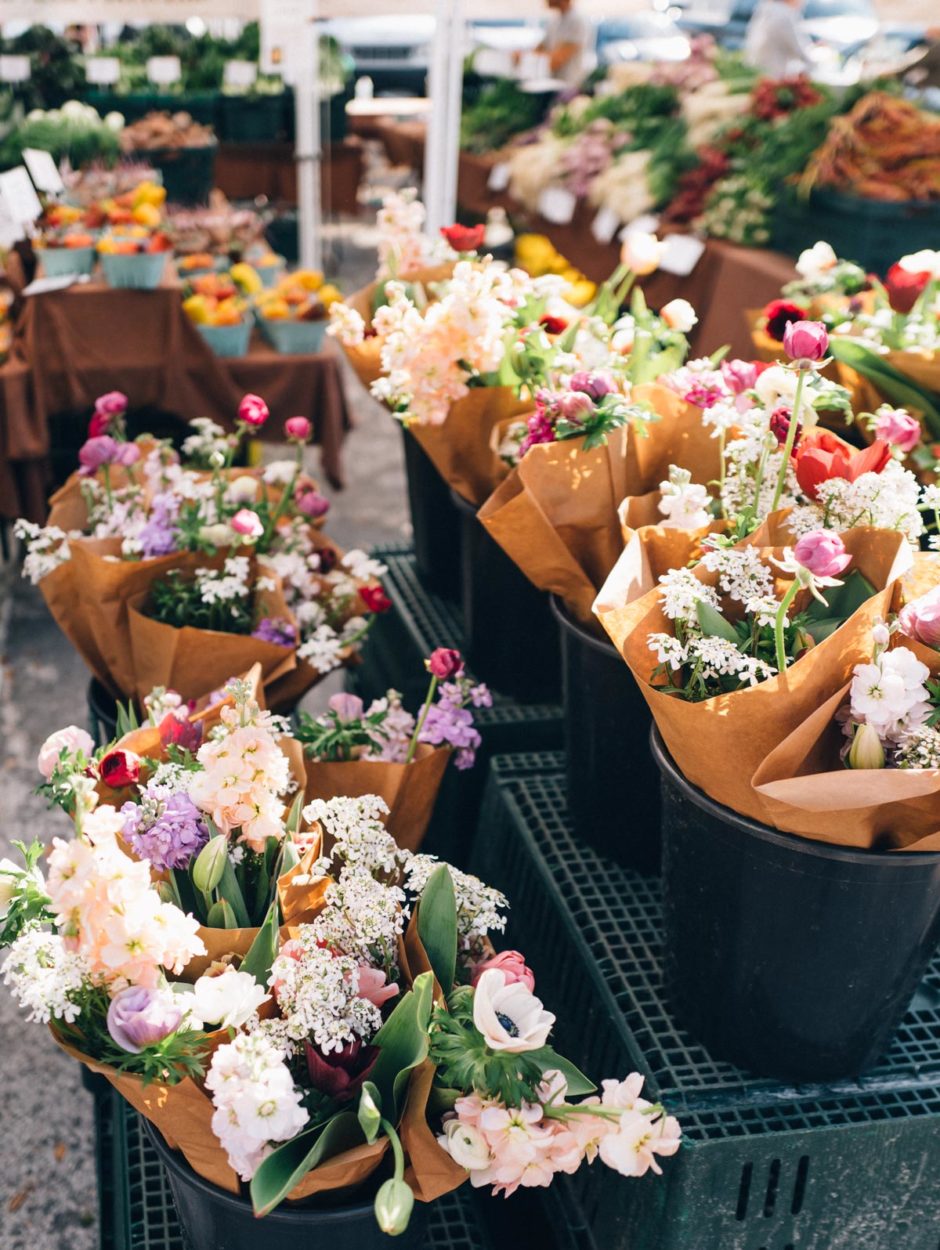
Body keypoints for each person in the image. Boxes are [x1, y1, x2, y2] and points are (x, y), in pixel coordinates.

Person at [744, 0, 813, 78]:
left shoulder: (764, 8)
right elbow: (805, 55)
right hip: (774, 78)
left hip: (756, 72)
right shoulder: (785, 15)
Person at [541, 0, 592, 89]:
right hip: (553, 83)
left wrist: (528, 60)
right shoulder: (554, 21)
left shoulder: (577, 21)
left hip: (568, 86)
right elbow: (540, 48)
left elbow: (557, 60)